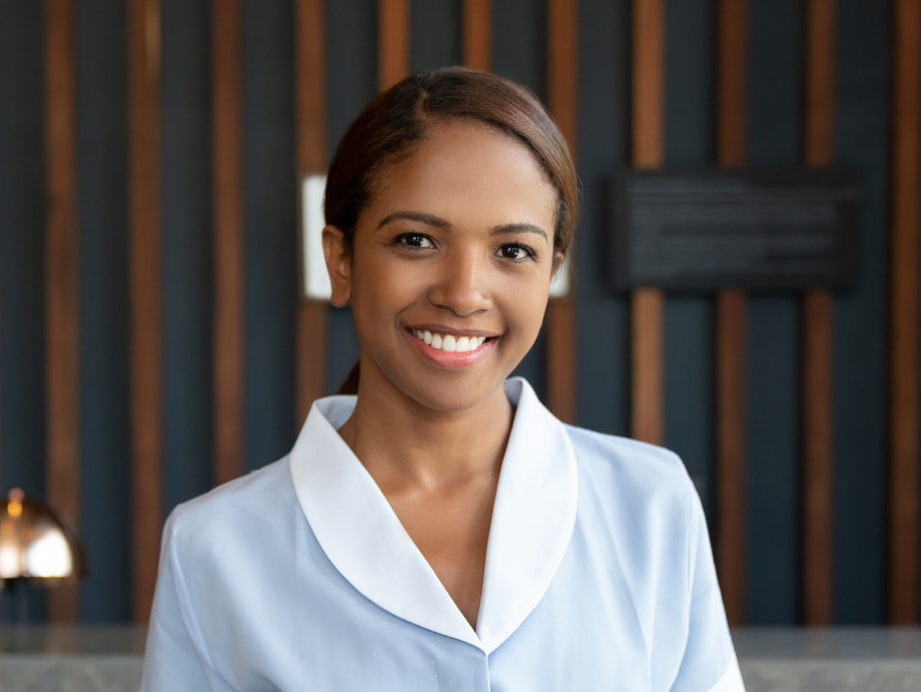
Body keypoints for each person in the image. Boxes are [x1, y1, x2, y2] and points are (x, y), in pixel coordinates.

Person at [141, 67, 742, 690]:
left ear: (552, 271)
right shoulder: (214, 548)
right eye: (416, 240)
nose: (463, 294)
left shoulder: (650, 505)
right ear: (340, 260)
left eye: (512, 250)